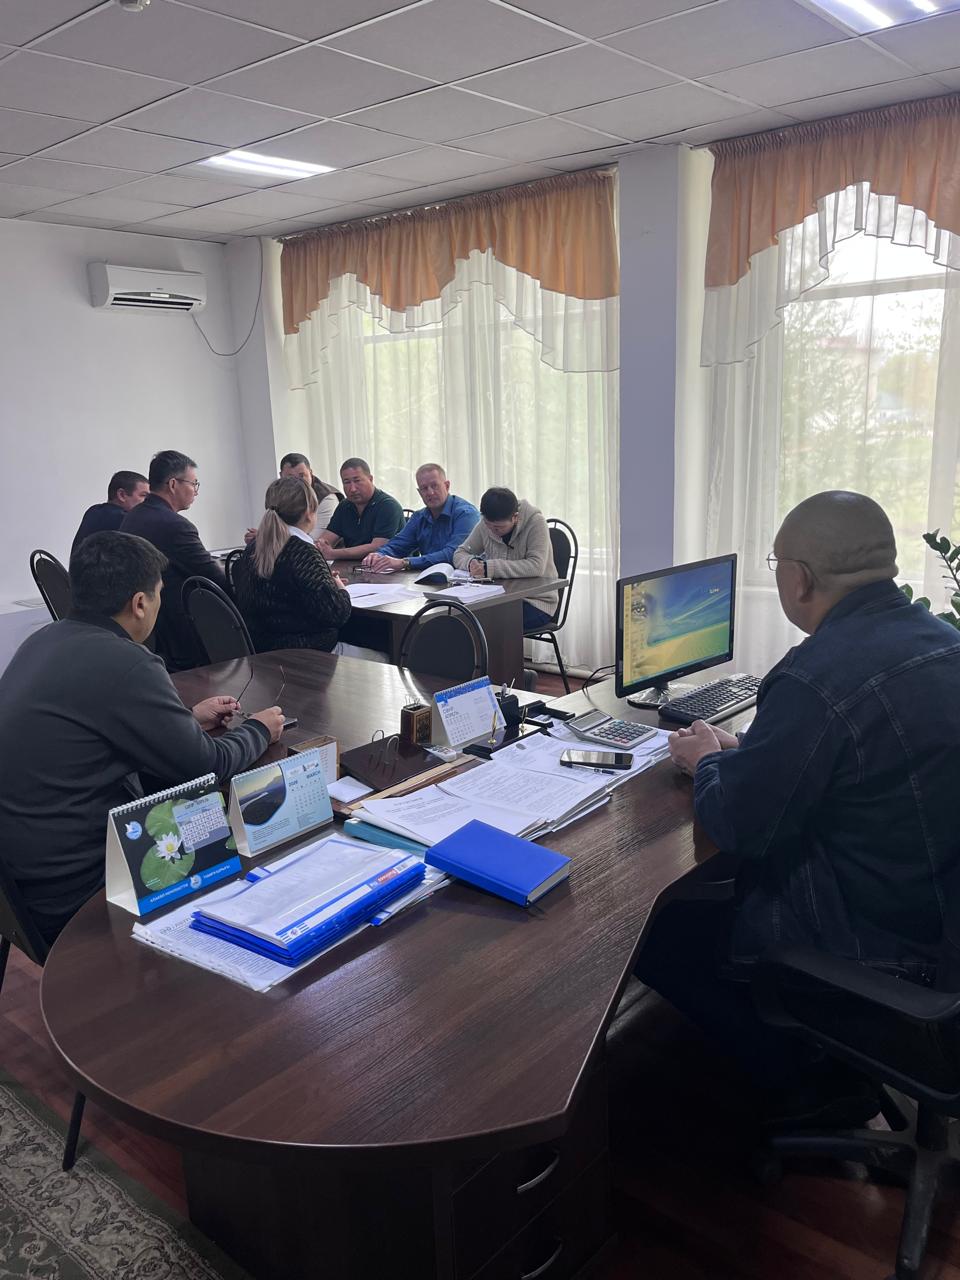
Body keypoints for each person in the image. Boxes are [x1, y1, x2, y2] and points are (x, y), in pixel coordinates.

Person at [638, 491, 960, 1121]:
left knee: (662, 928)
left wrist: (706, 761)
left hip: (880, 942)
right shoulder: (942, 640)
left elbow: (740, 825)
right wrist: (746, 750)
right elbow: (862, 762)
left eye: (776, 564)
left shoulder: (815, 673)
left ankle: (807, 1085)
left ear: (801, 579)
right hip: (935, 912)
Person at [0, 531, 284, 946]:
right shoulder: (126, 661)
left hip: (21, 881)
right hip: (77, 889)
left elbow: (91, 730)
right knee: (235, 834)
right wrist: (259, 728)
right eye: (159, 594)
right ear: (139, 603)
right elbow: (207, 766)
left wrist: (186, 720)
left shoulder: (43, 640)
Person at [120, 450, 225, 671]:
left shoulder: (134, 515)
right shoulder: (176, 526)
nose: (196, 491)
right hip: (183, 632)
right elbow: (216, 579)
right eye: (194, 484)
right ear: (173, 484)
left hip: (149, 626)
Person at [233, 476, 352, 654]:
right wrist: (340, 589)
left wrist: (325, 582)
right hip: (307, 655)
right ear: (309, 512)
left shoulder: (253, 547)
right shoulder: (303, 551)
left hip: (264, 656)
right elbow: (336, 613)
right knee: (384, 656)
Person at [452, 487, 558, 629]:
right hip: (497, 599)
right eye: (488, 525)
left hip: (536, 601)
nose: (492, 531)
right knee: (458, 617)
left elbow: (536, 566)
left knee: (484, 623)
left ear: (515, 517)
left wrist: (490, 568)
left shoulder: (536, 523)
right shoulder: (486, 524)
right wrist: (471, 563)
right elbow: (460, 553)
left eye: (498, 528)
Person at [361, 464, 479, 573]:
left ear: (447, 486)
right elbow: (398, 545)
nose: (430, 492)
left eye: (434, 486)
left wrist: (406, 562)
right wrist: (378, 555)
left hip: (467, 580)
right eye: (424, 488)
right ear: (419, 492)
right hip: (430, 578)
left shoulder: (466, 514)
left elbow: (453, 554)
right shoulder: (419, 517)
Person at [316, 457, 404, 561]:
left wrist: (333, 553)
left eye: (357, 481)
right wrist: (320, 545)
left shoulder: (388, 506)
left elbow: (378, 547)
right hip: (352, 566)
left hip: (389, 566)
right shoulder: (345, 506)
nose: (352, 489)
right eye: (347, 482)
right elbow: (327, 539)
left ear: (370, 479)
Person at [244, 453, 343, 544]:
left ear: (311, 473)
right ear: (281, 476)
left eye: (302, 476)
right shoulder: (278, 495)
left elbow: (313, 542)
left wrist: (266, 538)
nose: (297, 482)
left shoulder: (327, 498)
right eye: (290, 477)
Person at [71, 470, 149, 555]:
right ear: (122, 495)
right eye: (143, 495)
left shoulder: (93, 511)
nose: (148, 501)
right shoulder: (124, 520)